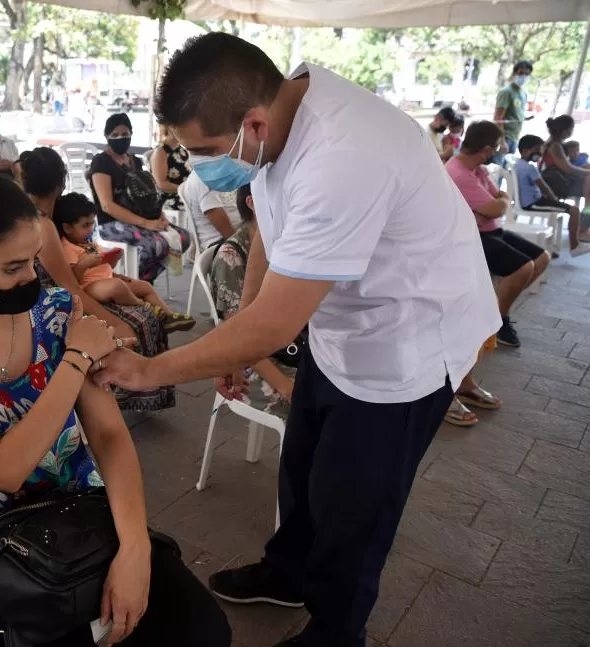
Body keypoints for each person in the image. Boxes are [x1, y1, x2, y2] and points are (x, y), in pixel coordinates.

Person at [94, 33, 502, 647]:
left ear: (253, 124)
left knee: (355, 503)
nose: (199, 167)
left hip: (407, 342)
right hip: (341, 329)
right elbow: (269, 227)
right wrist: (240, 336)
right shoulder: (283, 114)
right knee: (304, 462)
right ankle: (287, 572)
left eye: (205, 152)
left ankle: (336, 631)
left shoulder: (344, 155)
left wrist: (150, 370)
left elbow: (276, 324)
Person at [0, 171, 231, 647]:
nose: (31, 278)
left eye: (33, 260)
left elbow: (109, 435)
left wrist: (135, 549)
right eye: (12, 268)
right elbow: (3, 470)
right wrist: (75, 359)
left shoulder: (55, 311)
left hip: (72, 509)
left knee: (202, 629)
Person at [17, 146, 176, 412]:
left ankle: (134, 390)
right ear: (61, 182)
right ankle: (126, 393)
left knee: (142, 311)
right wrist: (113, 322)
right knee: (140, 321)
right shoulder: (41, 223)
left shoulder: (46, 215)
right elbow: (68, 287)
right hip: (50, 307)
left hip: (63, 293)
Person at [447, 122, 551, 347]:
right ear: (486, 149)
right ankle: (496, 323)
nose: (498, 151)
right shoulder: (459, 173)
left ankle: (494, 310)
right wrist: (497, 205)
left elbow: (500, 200)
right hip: (472, 237)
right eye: (496, 147)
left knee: (542, 258)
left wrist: (496, 205)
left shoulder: (479, 169)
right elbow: (497, 206)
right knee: (523, 268)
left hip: (491, 230)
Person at [53, 192, 195, 333]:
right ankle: (144, 305)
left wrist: (113, 264)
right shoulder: (68, 248)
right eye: (85, 225)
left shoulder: (89, 243)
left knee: (144, 286)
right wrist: (84, 264)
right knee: (117, 286)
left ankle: (168, 317)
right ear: (67, 228)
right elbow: (73, 280)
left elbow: (103, 269)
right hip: (88, 287)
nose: (91, 229)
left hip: (106, 281)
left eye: (92, 223)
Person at [209, 184, 294, 416]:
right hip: (251, 362)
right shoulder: (231, 257)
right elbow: (240, 335)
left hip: (286, 345)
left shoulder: (282, 243)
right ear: (253, 203)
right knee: (318, 402)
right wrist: (286, 387)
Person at [88, 113, 191, 283]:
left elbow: (148, 194)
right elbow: (107, 205)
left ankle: (144, 280)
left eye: (125, 134)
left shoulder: (134, 161)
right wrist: (146, 223)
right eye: (115, 135)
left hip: (141, 219)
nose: (121, 138)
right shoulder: (101, 162)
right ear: (106, 136)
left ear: (131, 134)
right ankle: (133, 282)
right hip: (112, 224)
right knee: (154, 245)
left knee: (183, 238)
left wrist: (159, 216)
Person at [514, 134, 590, 256]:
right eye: (537, 150)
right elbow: (544, 188)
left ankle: (551, 248)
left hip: (530, 201)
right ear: (525, 151)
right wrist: (555, 201)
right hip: (533, 203)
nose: (539, 153)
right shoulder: (530, 168)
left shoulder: (517, 164)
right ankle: (575, 247)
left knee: (569, 209)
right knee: (574, 210)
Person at [179, 172, 244, 250]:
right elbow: (226, 230)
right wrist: (243, 246)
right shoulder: (204, 180)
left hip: (237, 233)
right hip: (220, 243)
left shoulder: (217, 173)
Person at [541, 115, 590, 211]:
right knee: (589, 178)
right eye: (572, 128)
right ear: (565, 131)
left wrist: (585, 169)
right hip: (558, 184)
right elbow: (567, 169)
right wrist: (586, 172)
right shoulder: (555, 146)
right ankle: (587, 211)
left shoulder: (552, 143)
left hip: (558, 179)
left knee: (587, 167)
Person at [493, 61, 533, 158]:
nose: (524, 76)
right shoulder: (506, 92)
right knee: (496, 166)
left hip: (515, 137)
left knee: (507, 166)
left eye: (527, 74)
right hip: (505, 137)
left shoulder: (523, 93)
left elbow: (516, 113)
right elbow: (498, 118)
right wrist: (502, 141)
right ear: (514, 73)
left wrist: (525, 118)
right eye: (521, 73)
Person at [150, 124, 191, 209]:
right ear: (169, 129)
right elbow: (161, 184)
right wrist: (186, 190)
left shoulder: (183, 151)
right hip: (170, 202)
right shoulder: (160, 152)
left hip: (185, 198)